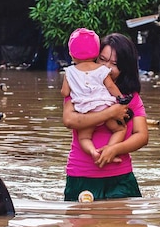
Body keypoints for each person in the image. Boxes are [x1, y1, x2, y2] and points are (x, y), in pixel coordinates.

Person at [62, 33, 148, 201]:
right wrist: (110, 113)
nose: (107, 68)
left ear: (125, 67)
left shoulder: (130, 97)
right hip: (81, 175)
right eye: (102, 60)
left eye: (114, 64)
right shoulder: (78, 91)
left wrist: (114, 149)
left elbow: (142, 136)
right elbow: (69, 120)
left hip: (121, 177)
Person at [61, 28, 128, 163]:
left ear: (71, 54)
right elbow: (110, 86)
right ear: (97, 53)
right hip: (103, 105)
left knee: (84, 138)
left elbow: (65, 92)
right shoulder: (102, 70)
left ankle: (94, 152)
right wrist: (121, 99)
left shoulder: (69, 72)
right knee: (120, 129)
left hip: (85, 110)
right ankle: (109, 150)